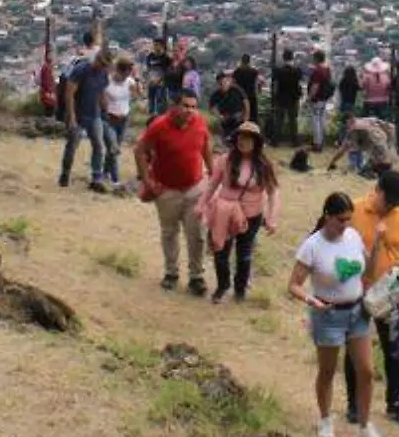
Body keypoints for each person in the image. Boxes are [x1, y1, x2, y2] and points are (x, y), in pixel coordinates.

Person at [287, 191, 387, 437]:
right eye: (340, 220)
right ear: (327, 216)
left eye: (348, 219)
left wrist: (376, 243)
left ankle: (365, 426)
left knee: (366, 371)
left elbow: (368, 270)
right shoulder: (312, 245)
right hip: (328, 315)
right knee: (328, 371)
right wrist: (312, 300)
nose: (345, 225)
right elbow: (294, 284)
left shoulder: (352, 236)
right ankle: (325, 419)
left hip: (357, 312)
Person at [344, 169, 399, 429]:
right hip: (356, 289)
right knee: (354, 350)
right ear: (377, 190)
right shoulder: (355, 209)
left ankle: (395, 404)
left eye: (395, 202)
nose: (390, 205)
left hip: (387, 293)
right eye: (387, 199)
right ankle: (354, 405)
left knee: (393, 350)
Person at [134, 88, 212, 294]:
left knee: (197, 234)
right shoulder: (159, 126)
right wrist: (146, 179)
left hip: (195, 186)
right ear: (174, 106)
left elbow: (205, 145)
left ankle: (197, 276)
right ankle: (171, 273)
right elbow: (139, 150)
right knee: (169, 233)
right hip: (167, 189)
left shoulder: (200, 122)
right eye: (185, 105)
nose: (190, 111)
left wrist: (212, 171)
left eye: (194, 107)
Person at [195, 121, 280, 303]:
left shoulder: (264, 165)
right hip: (224, 214)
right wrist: (201, 205)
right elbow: (212, 185)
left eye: (248, 139)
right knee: (220, 252)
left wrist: (272, 218)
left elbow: (273, 193)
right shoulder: (225, 160)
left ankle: (240, 289)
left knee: (244, 254)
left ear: (256, 143)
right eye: (241, 137)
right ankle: (222, 286)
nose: (243, 142)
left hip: (251, 216)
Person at [63, 46, 112, 191]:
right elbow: (69, 94)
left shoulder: (103, 74)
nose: (101, 67)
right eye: (100, 63)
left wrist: (106, 109)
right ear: (96, 59)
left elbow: (101, 92)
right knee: (72, 146)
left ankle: (96, 177)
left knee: (98, 145)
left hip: (94, 114)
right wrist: (71, 117)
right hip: (78, 114)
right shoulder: (81, 70)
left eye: (105, 65)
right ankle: (65, 174)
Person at [327, 115, 398, 178]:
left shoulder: (353, 129)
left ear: (347, 122)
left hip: (377, 147)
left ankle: (360, 169)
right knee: (380, 163)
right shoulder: (366, 120)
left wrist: (332, 162)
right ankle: (378, 170)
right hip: (382, 142)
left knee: (366, 169)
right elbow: (390, 126)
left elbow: (343, 149)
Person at [102, 55, 136, 184]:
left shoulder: (130, 82)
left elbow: (137, 95)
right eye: (126, 73)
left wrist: (137, 83)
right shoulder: (107, 82)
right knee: (114, 148)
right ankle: (115, 179)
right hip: (109, 118)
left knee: (114, 148)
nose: (127, 76)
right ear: (120, 71)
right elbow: (101, 99)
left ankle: (105, 172)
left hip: (124, 118)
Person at [271, 51, 303, 146]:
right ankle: (294, 141)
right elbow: (299, 83)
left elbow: (276, 85)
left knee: (279, 120)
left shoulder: (278, 71)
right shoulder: (297, 71)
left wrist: (275, 96)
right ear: (292, 58)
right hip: (293, 98)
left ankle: (276, 141)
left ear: (283, 58)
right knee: (293, 120)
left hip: (281, 97)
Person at [209, 70, 248, 147]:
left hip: (238, 118)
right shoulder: (216, 94)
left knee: (239, 138)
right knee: (226, 139)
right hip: (225, 119)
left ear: (227, 81)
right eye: (220, 83)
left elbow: (246, 103)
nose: (223, 84)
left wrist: (246, 117)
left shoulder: (237, 89)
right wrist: (218, 115)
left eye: (224, 82)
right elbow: (211, 107)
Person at [305, 50, 334, 150]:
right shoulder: (327, 69)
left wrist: (309, 98)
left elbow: (315, 86)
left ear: (316, 58)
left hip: (316, 99)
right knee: (321, 120)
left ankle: (316, 143)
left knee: (315, 120)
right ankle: (321, 141)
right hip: (324, 98)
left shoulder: (317, 71)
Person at [143, 37, 172, 118]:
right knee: (151, 100)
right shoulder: (150, 56)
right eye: (154, 45)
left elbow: (167, 72)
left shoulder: (166, 58)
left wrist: (159, 80)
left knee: (160, 101)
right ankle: (150, 116)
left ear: (162, 46)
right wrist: (148, 79)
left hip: (161, 84)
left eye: (157, 45)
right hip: (151, 82)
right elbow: (148, 69)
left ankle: (160, 117)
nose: (155, 47)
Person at [232, 53, 261, 124]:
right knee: (252, 118)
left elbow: (233, 85)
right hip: (251, 97)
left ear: (241, 61)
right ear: (249, 61)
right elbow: (257, 85)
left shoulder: (236, 72)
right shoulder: (254, 72)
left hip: (240, 98)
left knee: (240, 118)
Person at [360, 56, 392, 122]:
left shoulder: (367, 77)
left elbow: (362, 87)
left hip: (369, 102)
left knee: (369, 122)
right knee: (382, 122)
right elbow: (389, 88)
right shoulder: (386, 77)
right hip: (383, 101)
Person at [335, 64, 360, 140]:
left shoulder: (342, 81)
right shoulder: (355, 81)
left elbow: (340, 91)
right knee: (352, 123)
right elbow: (359, 90)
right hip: (352, 104)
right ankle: (351, 140)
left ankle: (341, 139)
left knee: (343, 123)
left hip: (344, 103)